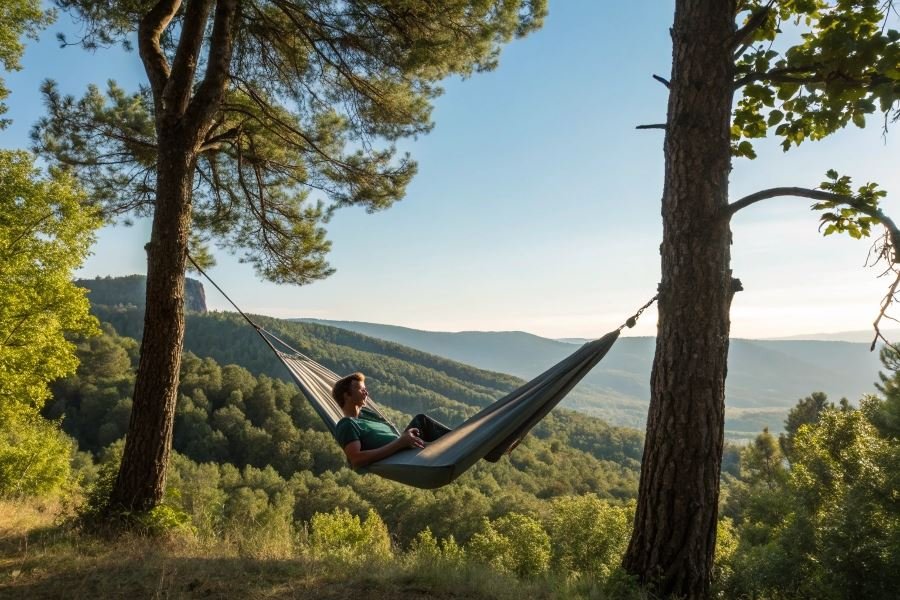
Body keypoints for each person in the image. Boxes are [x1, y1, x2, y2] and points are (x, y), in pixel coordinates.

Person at [332, 372, 451, 468]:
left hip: (404, 445)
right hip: (400, 456)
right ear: (346, 395)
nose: (366, 393)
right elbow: (356, 460)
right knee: (424, 423)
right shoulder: (347, 424)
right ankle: (455, 443)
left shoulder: (365, 415)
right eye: (361, 390)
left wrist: (404, 439)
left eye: (366, 389)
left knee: (421, 420)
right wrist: (401, 443)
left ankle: (454, 442)